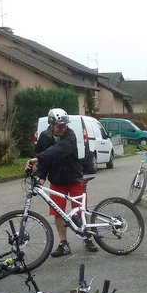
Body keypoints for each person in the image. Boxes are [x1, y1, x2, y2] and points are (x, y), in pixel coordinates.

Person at [26, 108, 96, 257]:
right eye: (59, 125)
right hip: (57, 179)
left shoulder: (70, 135)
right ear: (51, 124)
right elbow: (45, 161)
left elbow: (59, 150)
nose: (63, 128)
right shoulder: (44, 137)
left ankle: (88, 237)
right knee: (58, 212)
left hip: (74, 177)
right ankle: (63, 243)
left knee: (80, 210)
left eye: (65, 125)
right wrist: (41, 177)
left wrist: (38, 158)